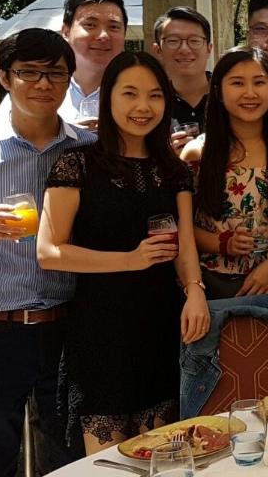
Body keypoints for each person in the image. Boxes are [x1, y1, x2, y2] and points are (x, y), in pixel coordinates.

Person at [36, 52, 210, 454]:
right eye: (129, 93)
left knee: (163, 455)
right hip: (101, 328)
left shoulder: (173, 170)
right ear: (108, 97)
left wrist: (195, 289)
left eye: (155, 95)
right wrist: (130, 260)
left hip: (162, 324)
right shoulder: (78, 164)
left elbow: (184, 244)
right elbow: (48, 252)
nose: (143, 106)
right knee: (107, 462)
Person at [0, 29, 94, 477]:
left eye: (55, 73)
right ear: (5, 78)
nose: (43, 84)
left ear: (69, 80)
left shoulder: (88, 151)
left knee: (73, 459)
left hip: (69, 326)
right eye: (28, 72)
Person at [181, 48, 268, 306]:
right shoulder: (198, 154)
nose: (250, 93)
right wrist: (222, 243)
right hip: (218, 290)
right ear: (218, 91)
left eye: (259, 82)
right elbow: (183, 227)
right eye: (237, 83)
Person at [0, 0, 128, 127]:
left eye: (114, 27)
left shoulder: (138, 88)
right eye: (90, 25)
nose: (103, 35)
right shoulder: (36, 86)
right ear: (66, 31)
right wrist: (63, 132)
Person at [151, 6, 213, 153]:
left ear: (209, 49)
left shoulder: (227, 95)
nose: (184, 49)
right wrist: (165, 155)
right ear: (158, 50)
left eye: (194, 41)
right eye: (173, 41)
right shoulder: (151, 102)